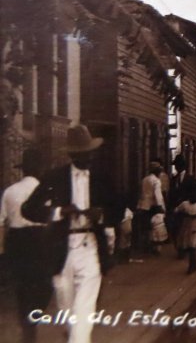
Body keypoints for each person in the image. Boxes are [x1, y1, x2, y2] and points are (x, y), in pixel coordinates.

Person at [22, 124, 122, 343]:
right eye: (80, 154)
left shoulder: (101, 178)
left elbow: (119, 208)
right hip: (61, 251)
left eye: (88, 153)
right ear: (70, 154)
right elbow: (28, 209)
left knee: (83, 312)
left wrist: (102, 215)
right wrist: (59, 211)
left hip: (91, 249)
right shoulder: (54, 177)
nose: (86, 158)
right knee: (69, 312)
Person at [0, 148, 52, 343]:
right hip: (40, 240)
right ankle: (33, 320)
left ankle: (27, 324)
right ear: (40, 169)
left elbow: (1, 223)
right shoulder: (46, 191)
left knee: (23, 285)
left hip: (17, 241)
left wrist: (2, 252)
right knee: (43, 284)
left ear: (23, 169)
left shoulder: (10, 191)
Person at [174, 181, 196, 274]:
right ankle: (193, 263)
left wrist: (194, 216)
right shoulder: (184, 204)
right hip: (188, 229)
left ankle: (192, 265)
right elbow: (176, 210)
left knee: (192, 246)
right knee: (190, 247)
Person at [136, 161, 166, 255]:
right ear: (157, 171)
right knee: (155, 227)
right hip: (152, 206)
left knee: (145, 227)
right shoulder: (156, 181)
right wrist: (161, 206)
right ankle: (154, 248)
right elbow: (158, 195)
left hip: (143, 205)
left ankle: (145, 247)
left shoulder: (144, 179)